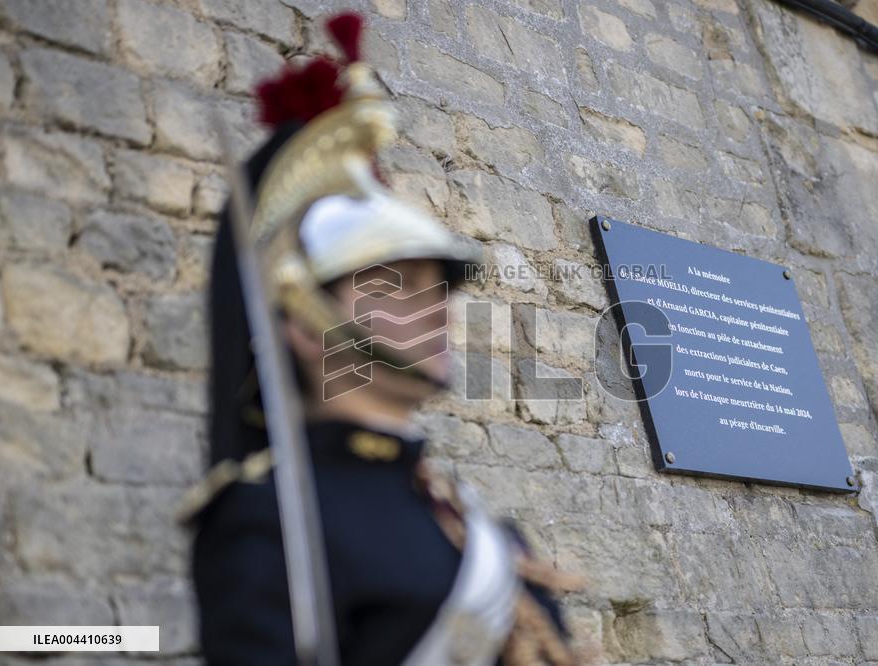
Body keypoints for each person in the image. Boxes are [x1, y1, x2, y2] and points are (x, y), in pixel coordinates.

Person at [177, 12, 581, 666]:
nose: (432, 309)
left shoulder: (467, 527)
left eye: (436, 287)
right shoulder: (269, 521)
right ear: (306, 324)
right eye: (393, 287)